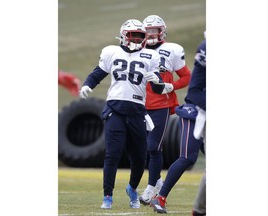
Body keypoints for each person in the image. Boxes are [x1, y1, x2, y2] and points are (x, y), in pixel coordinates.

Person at [79, 19, 167, 209]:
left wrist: (157, 81)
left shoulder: (150, 56)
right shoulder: (111, 52)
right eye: (133, 35)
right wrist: (87, 84)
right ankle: (107, 196)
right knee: (113, 154)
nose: (136, 38)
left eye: (140, 35)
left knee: (139, 158)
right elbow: (98, 73)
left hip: (137, 112)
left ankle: (132, 188)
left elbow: (159, 90)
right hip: (115, 111)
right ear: (123, 35)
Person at [139, 15, 191, 206]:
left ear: (161, 31)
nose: (151, 34)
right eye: (148, 30)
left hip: (161, 105)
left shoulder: (172, 50)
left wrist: (172, 86)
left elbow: (187, 77)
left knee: (154, 147)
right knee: (142, 147)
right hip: (140, 105)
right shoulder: (137, 50)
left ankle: (152, 186)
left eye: (154, 30)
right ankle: (157, 180)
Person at [150, 37, 206, 214]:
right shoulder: (205, 50)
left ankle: (200, 209)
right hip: (195, 112)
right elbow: (194, 91)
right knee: (188, 157)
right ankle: (160, 197)